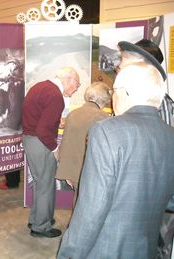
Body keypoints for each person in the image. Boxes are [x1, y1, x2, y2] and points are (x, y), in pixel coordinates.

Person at [57, 61, 174, 257]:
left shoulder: (107, 132)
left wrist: (69, 254)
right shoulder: (170, 136)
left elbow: (91, 210)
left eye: (115, 91)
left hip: (107, 248)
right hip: (148, 249)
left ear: (125, 92)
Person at [117, 38, 174, 259]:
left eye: (125, 63)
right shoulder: (135, 101)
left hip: (153, 196)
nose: (119, 67)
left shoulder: (160, 104)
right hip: (138, 194)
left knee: (156, 246)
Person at [22, 67, 81, 238]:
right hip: (40, 143)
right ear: (68, 79)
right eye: (77, 84)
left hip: (30, 140)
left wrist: (56, 123)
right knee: (46, 185)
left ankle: (37, 218)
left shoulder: (40, 86)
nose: (76, 89)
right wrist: (55, 149)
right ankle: (41, 227)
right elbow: (43, 131)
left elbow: (39, 118)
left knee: (41, 184)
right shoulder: (56, 96)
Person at [55, 81, 112, 206]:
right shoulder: (103, 118)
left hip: (72, 168)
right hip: (91, 170)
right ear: (104, 99)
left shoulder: (73, 114)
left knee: (78, 202)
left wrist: (67, 172)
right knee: (85, 205)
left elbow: (66, 144)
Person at [0, 59, 24, 136]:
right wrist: (3, 78)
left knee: (6, 113)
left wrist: (15, 81)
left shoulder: (11, 72)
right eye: (15, 66)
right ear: (11, 63)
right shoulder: (2, 67)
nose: (15, 68)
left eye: (16, 67)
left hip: (6, 93)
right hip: (0, 91)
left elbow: (11, 82)